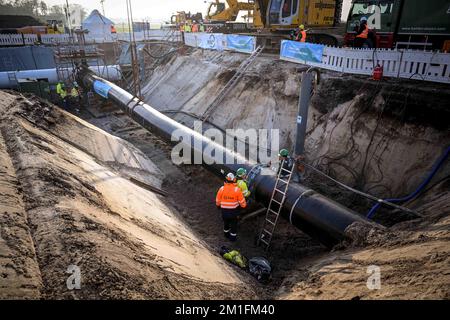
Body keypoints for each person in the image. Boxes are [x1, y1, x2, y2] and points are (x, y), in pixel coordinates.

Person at [216, 173, 247, 242]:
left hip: (224, 212)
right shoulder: (237, 190)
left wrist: (218, 206)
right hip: (233, 213)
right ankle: (232, 239)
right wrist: (243, 207)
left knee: (226, 223)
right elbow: (243, 204)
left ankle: (226, 235)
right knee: (233, 226)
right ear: (234, 180)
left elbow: (218, 201)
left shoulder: (222, 189)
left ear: (226, 180)